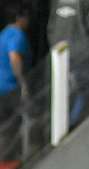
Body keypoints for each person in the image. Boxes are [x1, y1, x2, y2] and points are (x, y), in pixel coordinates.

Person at [0, 3, 31, 160]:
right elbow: (14, 56)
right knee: (11, 127)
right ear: (21, 18)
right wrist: (22, 80)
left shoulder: (4, 33)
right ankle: (9, 160)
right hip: (10, 88)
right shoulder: (17, 34)